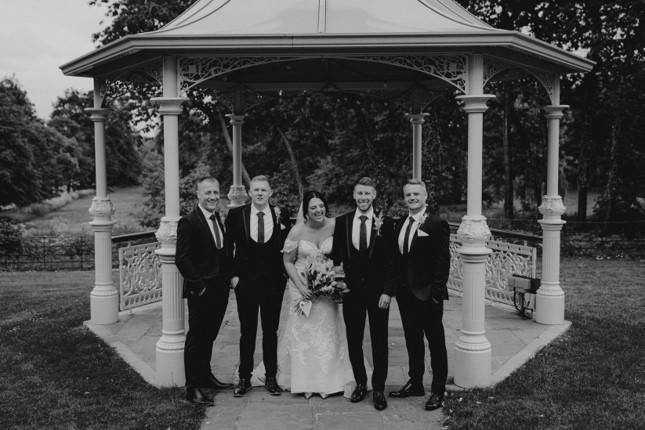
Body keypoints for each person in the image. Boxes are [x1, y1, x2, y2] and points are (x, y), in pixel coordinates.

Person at [276, 190, 355, 398]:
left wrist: (335, 279)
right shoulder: (297, 232)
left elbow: (344, 254)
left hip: (327, 286)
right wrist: (301, 286)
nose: (318, 210)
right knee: (305, 330)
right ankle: (306, 381)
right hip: (302, 286)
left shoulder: (335, 225)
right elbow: (287, 261)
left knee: (329, 328)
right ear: (306, 211)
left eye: (321, 206)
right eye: (313, 207)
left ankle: (331, 379)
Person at [331, 177, 395, 411]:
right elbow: (336, 258)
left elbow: (392, 262)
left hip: (379, 294)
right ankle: (360, 383)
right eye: (360, 194)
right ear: (354, 195)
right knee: (354, 339)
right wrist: (340, 283)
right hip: (352, 292)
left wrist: (388, 291)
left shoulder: (386, 224)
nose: (363, 198)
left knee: (380, 341)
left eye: (367, 194)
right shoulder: (343, 222)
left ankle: (378, 388)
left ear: (374, 195)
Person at [388, 179, 450, 411]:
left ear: (425, 197)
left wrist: (435, 293)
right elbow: (399, 258)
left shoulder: (436, 223)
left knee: (436, 343)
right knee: (412, 341)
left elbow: (443, 261)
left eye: (416, 194)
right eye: (408, 195)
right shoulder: (402, 222)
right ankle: (415, 383)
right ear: (404, 198)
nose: (412, 198)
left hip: (428, 295)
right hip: (406, 295)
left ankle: (438, 390)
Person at [226, 175, 287, 397]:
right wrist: (233, 277)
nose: (260, 193)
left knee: (271, 331)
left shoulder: (281, 214)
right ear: (249, 193)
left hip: (273, 284)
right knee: (247, 332)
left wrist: (283, 276)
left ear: (270, 193)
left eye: (264, 190)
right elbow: (227, 247)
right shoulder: (236, 215)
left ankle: (271, 377)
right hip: (246, 283)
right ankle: (244, 378)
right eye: (256, 190)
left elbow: (288, 247)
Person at [176, 176, 234, 406]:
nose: (212, 197)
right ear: (198, 195)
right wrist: (199, 287)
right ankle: (192, 389)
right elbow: (182, 258)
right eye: (207, 193)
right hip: (201, 291)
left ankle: (205, 378)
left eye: (215, 193)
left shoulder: (217, 218)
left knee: (209, 336)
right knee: (196, 338)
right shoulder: (188, 222)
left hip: (219, 290)